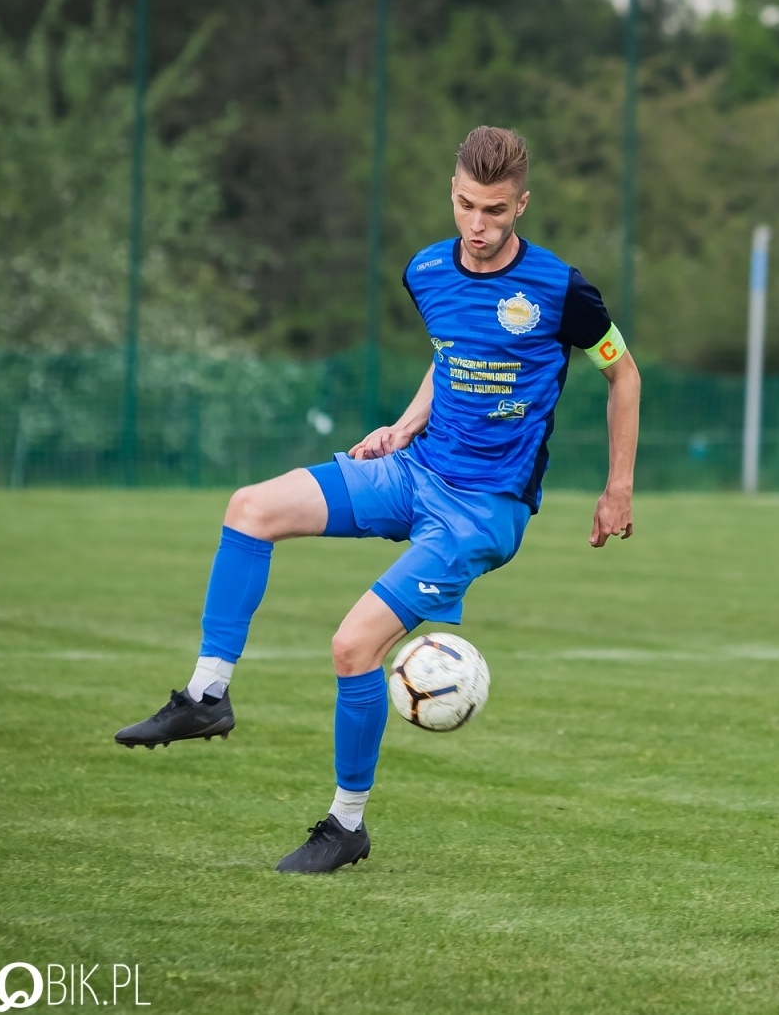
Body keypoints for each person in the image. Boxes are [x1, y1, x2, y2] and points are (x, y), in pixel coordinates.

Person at [114, 125, 641, 873]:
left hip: (482, 511)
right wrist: (402, 425)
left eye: (496, 210)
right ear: (450, 195)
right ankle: (206, 695)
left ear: (522, 204)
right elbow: (452, 358)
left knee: (352, 646)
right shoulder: (426, 269)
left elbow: (625, 376)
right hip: (414, 469)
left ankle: (345, 825)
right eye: (467, 206)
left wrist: (617, 488)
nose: (480, 227)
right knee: (249, 507)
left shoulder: (561, 290)